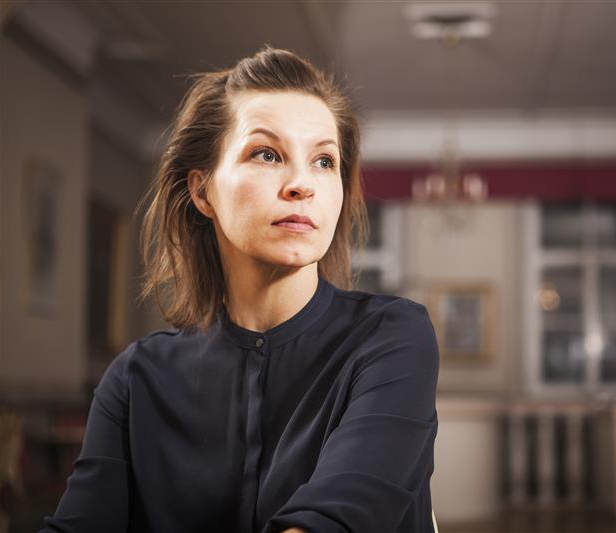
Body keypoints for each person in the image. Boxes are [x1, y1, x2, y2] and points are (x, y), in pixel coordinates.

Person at [41, 46, 440, 533]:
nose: (302, 184)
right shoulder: (135, 380)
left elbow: (340, 517)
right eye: (267, 154)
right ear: (202, 190)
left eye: (323, 161)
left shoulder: (394, 337)